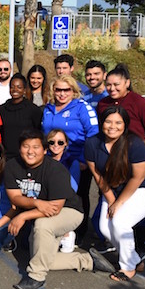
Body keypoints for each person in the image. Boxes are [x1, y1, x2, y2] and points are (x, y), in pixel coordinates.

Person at [5, 130, 115, 289]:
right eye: (26, 146)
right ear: (20, 148)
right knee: (38, 257)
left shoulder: (55, 169)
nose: (30, 151)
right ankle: (87, 261)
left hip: (69, 211)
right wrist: (37, 203)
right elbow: (15, 197)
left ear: (44, 150)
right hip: (42, 209)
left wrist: (24, 215)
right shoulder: (13, 165)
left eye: (35, 147)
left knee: (42, 226)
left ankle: (36, 277)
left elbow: (55, 208)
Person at [85, 106, 145, 281]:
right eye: (108, 121)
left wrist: (118, 203)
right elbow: (98, 176)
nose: (112, 126)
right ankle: (135, 259)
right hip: (111, 189)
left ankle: (127, 267)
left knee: (120, 222)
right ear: (102, 122)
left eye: (118, 122)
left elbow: (137, 178)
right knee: (105, 227)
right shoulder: (92, 143)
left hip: (142, 188)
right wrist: (111, 199)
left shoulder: (135, 144)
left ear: (125, 125)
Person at [97, 64, 145, 263]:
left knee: (134, 209)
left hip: (137, 162)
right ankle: (123, 248)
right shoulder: (103, 104)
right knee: (109, 206)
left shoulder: (139, 102)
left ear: (127, 83)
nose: (112, 88)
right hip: (111, 164)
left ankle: (139, 248)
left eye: (116, 84)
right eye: (108, 85)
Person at [42, 75, 98, 242]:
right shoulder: (48, 108)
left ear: (74, 91)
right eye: (58, 89)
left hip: (77, 160)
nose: (62, 93)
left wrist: (84, 159)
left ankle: (79, 231)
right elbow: (45, 133)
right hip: (53, 159)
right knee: (54, 194)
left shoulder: (82, 107)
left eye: (66, 90)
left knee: (78, 196)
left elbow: (94, 134)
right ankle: (57, 229)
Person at [0, 74, 43, 160]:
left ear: (24, 90)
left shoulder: (33, 109)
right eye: (12, 87)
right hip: (7, 156)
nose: (15, 90)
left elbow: (38, 130)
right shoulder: (2, 109)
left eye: (19, 87)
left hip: (27, 156)